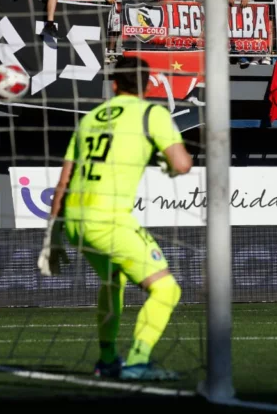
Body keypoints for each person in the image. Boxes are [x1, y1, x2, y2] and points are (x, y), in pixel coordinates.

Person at [39, 57, 193, 381]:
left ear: (113, 85)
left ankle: (107, 360)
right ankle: (137, 363)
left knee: (113, 282)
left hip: (74, 221)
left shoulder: (90, 118)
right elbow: (182, 164)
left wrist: (51, 238)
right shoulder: (152, 113)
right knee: (166, 290)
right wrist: (169, 159)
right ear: (148, 85)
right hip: (107, 218)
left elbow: (63, 182)